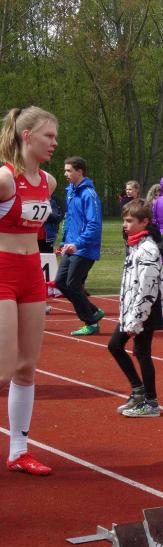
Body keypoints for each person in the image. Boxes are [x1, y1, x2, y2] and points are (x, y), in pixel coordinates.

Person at [0, 106, 58, 475]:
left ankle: (19, 451)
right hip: (2, 272)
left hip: (32, 274)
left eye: (55, 136)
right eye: (48, 136)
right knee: (3, 367)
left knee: (26, 368)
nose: (54, 142)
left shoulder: (48, 182)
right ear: (26, 136)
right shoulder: (5, 179)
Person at [109, 200, 163, 417]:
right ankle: (138, 391)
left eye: (129, 221)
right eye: (124, 220)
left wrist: (137, 318)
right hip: (133, 309)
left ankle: (151, 402)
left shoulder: (148, 249)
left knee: (141, 352)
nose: (125, 225)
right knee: (116, 346)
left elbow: (147, 288)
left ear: (144, 222)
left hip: (145, 311)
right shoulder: (135, 245)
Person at [56, 155, 104, 336]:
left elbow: (94, 224)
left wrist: (78, 243)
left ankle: (91, 323)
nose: (65, 174)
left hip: (85, 248)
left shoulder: (89, 194)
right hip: (71, 245)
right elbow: (69, 220)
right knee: (60, 283)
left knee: (73, 285)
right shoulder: (71, 191)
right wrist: (64, 242)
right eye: (65, 170)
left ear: (80, 171)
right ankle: (93, 311)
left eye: (69, 170)